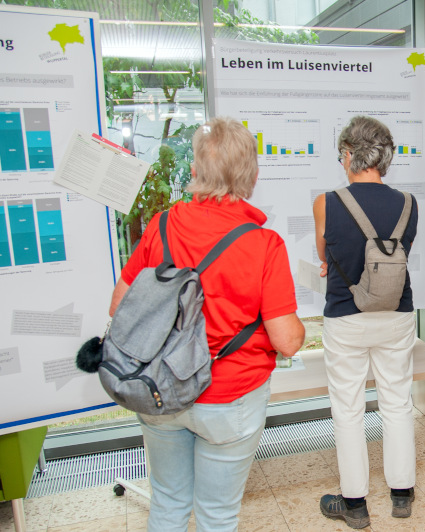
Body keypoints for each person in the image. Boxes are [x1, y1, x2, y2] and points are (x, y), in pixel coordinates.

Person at [108, 117, 306, 531]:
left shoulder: (161, 226)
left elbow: (119, 307)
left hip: (160, 390)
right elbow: (287, 341)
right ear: (251, 175)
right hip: (228, 397)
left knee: (168, 504)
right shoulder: (264, 244)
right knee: (217, 515)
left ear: (195, 171)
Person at [313, 116, 419, 529]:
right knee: (397, 402)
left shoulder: (327, 201)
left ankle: (354, 504)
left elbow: (326, 254)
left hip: (347, 317)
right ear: (386, 157)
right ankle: (401, 494)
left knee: (348, 409)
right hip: (397, 314)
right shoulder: (410, 204)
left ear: (348, 154)